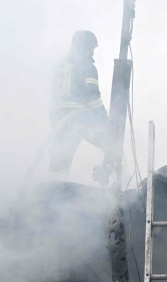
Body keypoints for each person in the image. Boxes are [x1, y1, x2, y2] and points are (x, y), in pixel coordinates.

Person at [49, 30, 108, 177]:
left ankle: (54, 188)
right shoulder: (86, 66)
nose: (92, 54)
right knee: (109, 144)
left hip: (56, 116)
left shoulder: (60, 66)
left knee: (60, 156)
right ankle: (116, 180)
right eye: (91, 49)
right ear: (84, 47)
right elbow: (92, 94)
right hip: (77, 116)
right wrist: (104, 118)